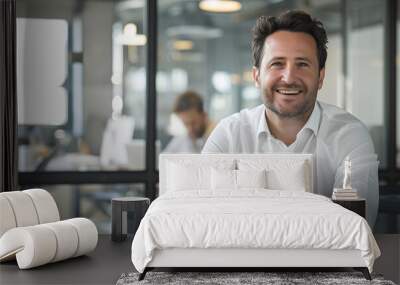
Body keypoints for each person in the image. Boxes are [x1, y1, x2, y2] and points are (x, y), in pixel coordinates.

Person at [202, 10, 379, 227]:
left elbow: (355, 227)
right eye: (277, 63)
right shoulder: (229, 134)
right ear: (257, 76)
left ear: (320, 76)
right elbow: (205, 218)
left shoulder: (349, 135)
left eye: (302, 64)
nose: (289, 77)